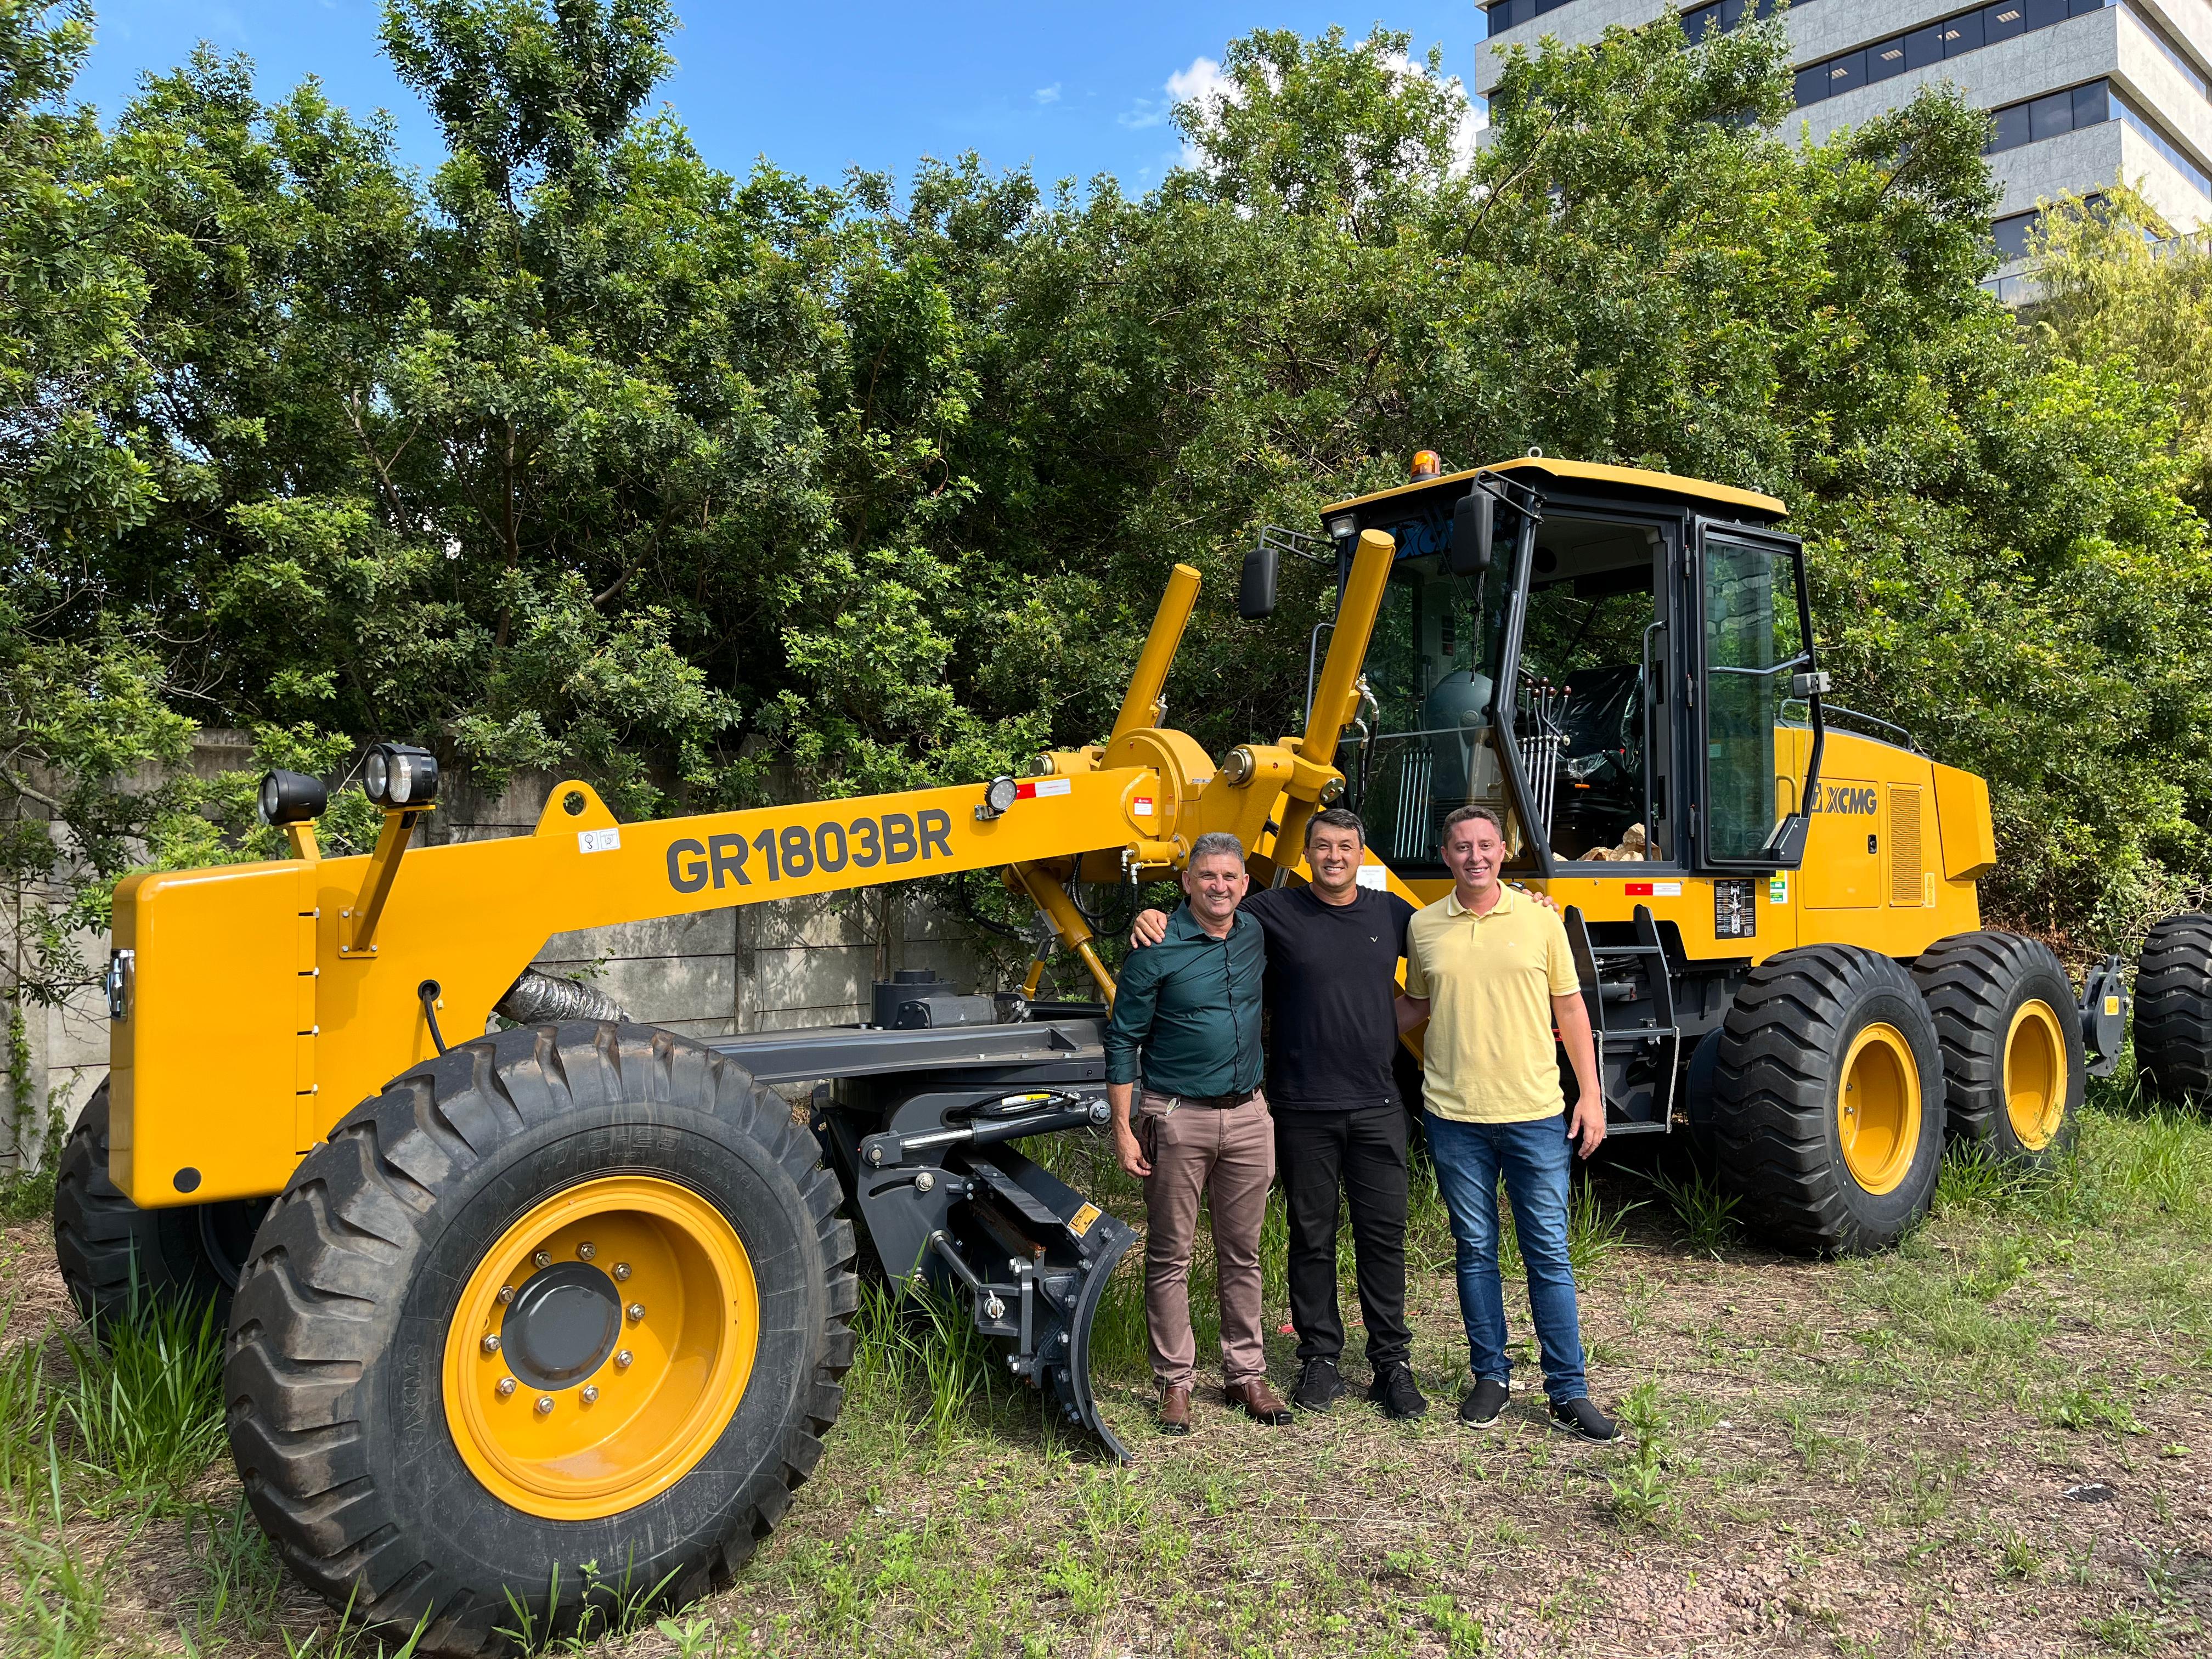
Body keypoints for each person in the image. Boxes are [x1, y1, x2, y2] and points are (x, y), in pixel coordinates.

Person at [1130, 807, 1426, 1420]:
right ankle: (1319, 1358)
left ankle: (1391, 1365)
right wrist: (1151, 914)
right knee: (1310, 1237)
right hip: (1300, 1105)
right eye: (1323, 846)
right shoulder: (1275, 912)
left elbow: (1451, 947)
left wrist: (1528, 902)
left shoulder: (1392, 915)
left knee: (1382, 1239)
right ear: (1307, 854)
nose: (1334, 856)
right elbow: (1208, 908)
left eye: (1346, 846)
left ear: (1361, 854)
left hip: (1376, 1103)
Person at [1395, 803, 1618, 1442]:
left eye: (1486, 845)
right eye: (1461, 847)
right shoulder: (1424, 926)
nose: (1475, 856)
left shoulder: (1541, 920)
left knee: (1548, 1254)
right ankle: (1490, 1376)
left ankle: (1567, 1391)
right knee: (1475, 1253)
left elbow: (1572, 1012)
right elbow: (1416, 1004)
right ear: (1446, 856)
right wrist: (1341, 1036)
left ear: (1503, 850)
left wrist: (1591, 1096)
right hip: (1454, 1117)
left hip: (1536, 1115)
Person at [1106, 832, 1293, 1435]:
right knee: (1169, 1254)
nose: (1220, 887)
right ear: (1187, 882)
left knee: (1243, 1253)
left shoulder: (1254, 933)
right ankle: (1175, 1383)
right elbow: (1122, 1041)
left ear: (1245, 884)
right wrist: (1124, 1129)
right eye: (1207, 876)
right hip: (1177, 1115)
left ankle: (1245, 1373)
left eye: (1231, 877)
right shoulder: (1155, 946)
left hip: (1247, 1117)